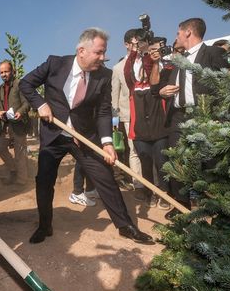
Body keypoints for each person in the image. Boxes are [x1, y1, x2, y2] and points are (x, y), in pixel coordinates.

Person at [19, 28, 153, 245]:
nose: (103, 57)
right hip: (54, 134)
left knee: (105, 177)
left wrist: (107, 142)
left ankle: (126, 226)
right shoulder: (55, 64)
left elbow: (103, 111)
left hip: (84, 137)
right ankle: (45, 225)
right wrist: (41, 104)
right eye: (99, 53)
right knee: (44, 181)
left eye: (105, 53)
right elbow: (26, 84)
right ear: (81, 50)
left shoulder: (104, 75)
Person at [157, 18, 229, 216]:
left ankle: (216, 209)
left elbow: (225, 87)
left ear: (188, 32)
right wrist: (163, 92)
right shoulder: (178, 60)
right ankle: (181, 206)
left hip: (205, 115)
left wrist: (219, 116)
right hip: (178, 117)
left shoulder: (214, 53)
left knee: (209, 162)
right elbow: (164, 86)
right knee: (177, 161)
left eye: (178, 33)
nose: (176, 37)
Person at [124, 34, 171, 210]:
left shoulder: (158, 82)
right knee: (145, 164)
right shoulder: (133, 85)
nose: (143, 68)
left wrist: (152, 58)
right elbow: (128, 68)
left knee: (161, 162)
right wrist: (135, 51)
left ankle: (164, 195)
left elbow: (151, 69)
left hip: (159, 130)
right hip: (140, 132)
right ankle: (149, 193)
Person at [111, 29, 144, 191]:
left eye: (140, 42)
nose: (138, 45)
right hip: (128, 116)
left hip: (149, 115)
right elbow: (114, 97)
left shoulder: (148, 61)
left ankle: (155, 185)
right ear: (126, 44)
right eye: (134, 42)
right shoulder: (118, 68)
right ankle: (139, 185)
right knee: (134, 150)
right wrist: (115, 122)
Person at [0, 60, 30, 187]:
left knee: (20, 152)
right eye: (1, 72)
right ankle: (13, 170)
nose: (4, 74)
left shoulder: (19, 84)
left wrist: (20, 112)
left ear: (13, 71)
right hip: (6, 126)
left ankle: (22, 181)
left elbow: (26, 103)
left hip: (18, 124)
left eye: (6, 71)